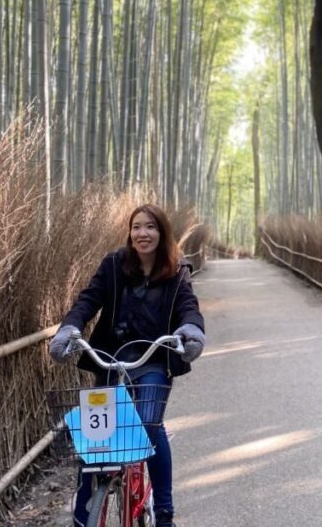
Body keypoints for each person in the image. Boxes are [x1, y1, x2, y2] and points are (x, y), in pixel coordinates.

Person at [48, 203, 206, 527]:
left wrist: (191, 330)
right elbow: (88, 299)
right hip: (109, 358)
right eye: (136, 227)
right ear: (129, 232)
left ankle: (164, 512)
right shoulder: (114, 264)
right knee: (97, 435)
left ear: (162, 233)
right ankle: (84, 514)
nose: (142, 233)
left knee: (149, 425)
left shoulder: (177, 271)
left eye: (150, 227)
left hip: (153, 360)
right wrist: (69, 328)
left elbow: (189, 307)